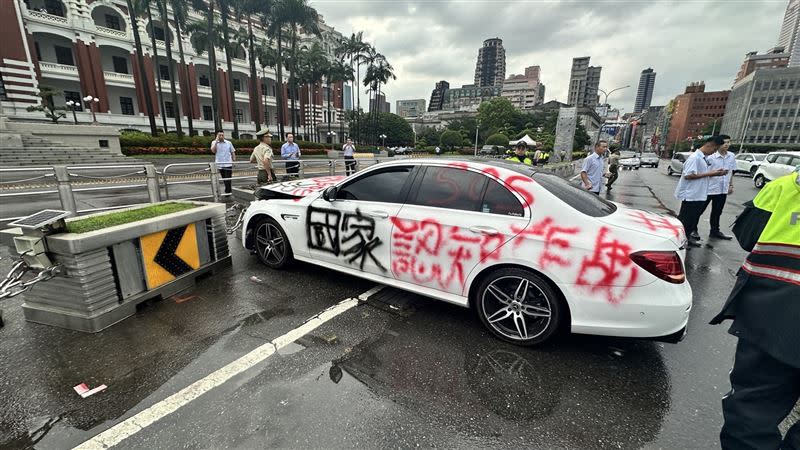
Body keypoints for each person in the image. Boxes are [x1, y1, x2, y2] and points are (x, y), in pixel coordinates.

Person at [710, 169, 800, 450]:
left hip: (777, 310)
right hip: (777, 309)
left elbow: (747, 235)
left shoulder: (786, 186)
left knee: (752, 412)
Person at [674, 136, 727, 246]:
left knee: (692, 220)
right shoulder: (695, 158)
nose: (714, 152)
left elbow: (700, 174)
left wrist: (715, 172)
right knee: (686, 220)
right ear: (709, 145)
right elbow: (688, 175)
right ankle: (679, 241)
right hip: (691, 195)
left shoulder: (703, 158)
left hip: (699, 194)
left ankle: (687, 239)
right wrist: (711, 173)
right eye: (714, 149)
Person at [698, 134, 736, 240]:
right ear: (718, 144)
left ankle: (715, 231)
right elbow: (703, 171)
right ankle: (693, 230)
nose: (726, 144)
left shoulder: (731, 156)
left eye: (729, 142)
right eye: (724, 142)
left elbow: (731, 171)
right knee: (699, 210)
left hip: (722, 189)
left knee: (717, 212)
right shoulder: (710, 156)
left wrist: (730, 185)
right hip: (709, 188)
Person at [211, 130, 235, 195]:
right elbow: (213, 151)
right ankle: (229, 191)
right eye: (220, 135)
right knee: (224, 178)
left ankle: (228, 192)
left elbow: (232, 152)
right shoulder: (214, 142)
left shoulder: (228, 143)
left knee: (228, 178)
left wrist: (234, 161)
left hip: (228, 163)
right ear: (217, 136)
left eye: (222, 135)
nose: (221, 136)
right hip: (220, 164)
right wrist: (216, 141)